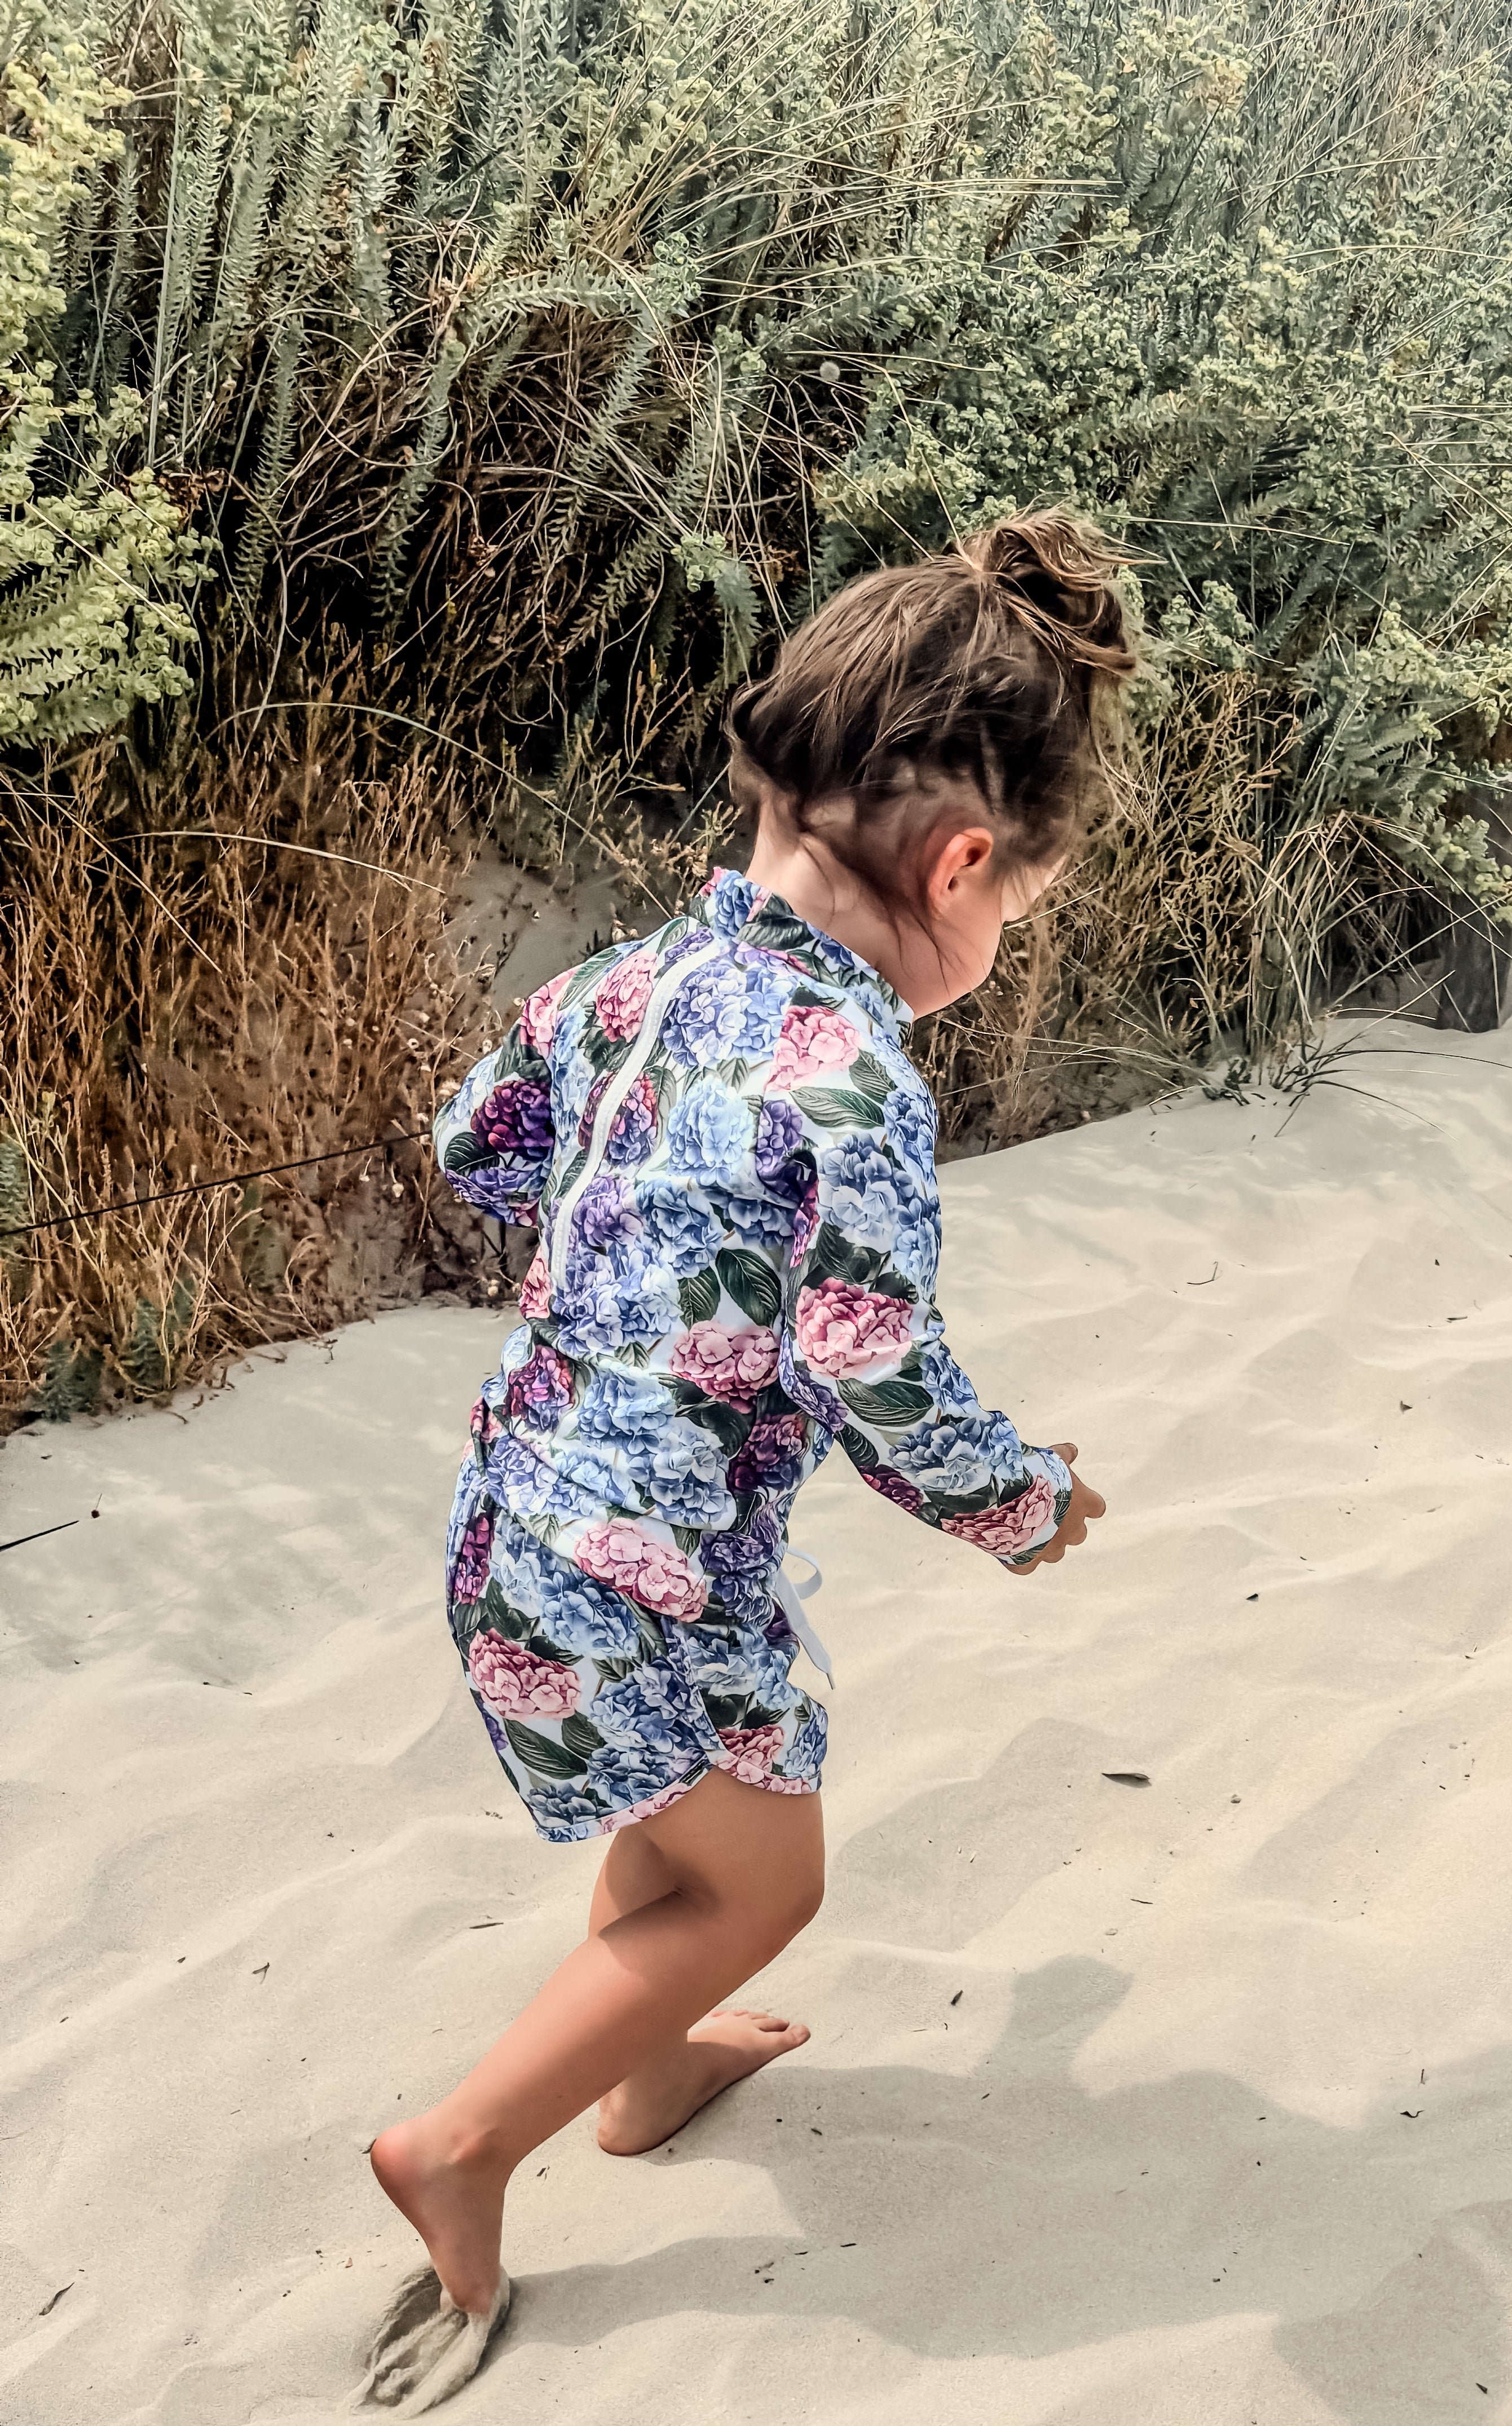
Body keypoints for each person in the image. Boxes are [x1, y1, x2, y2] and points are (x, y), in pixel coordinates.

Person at [358, 510, 1131, 2406]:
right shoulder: (849, 1079)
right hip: (659, 1565)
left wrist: (624, 1255)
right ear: (964, 865)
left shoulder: (630, 980)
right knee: (758, 1886)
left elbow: (477, 1141)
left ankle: (652, 2070)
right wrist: (1022, 1504)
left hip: (512, 1513)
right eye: (1009, 904)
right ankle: (457, 2147)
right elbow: (876, 1370)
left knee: (668, 1815)